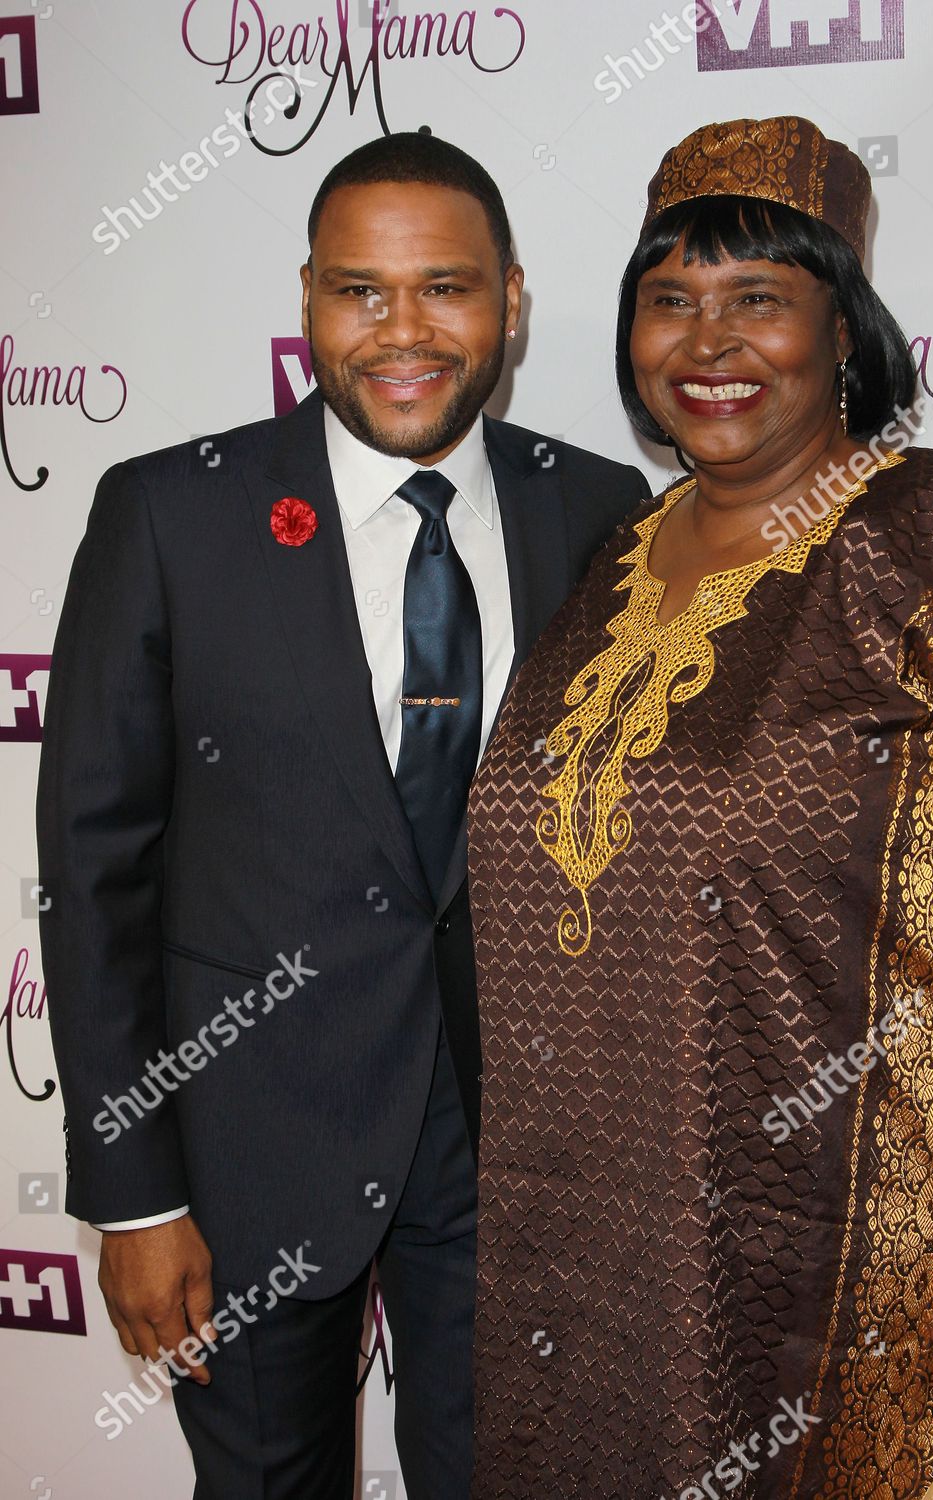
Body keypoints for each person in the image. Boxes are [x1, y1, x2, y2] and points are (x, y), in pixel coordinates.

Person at [467, 116, 933, 1498]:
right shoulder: (607, 557)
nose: (707, 342)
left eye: (757, 300)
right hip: (576, 1267)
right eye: (668, 299)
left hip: (847, 1268)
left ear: (844, 328)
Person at [36, 130, 648, 1500]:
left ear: (513, 301)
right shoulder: (167, 516)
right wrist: (134, 1193)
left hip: (515, 1150)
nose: (403, 331)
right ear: (306, 297)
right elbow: (93, 868)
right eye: (359, 292)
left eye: (446, 287)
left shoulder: (600, 511)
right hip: (248, 1138)